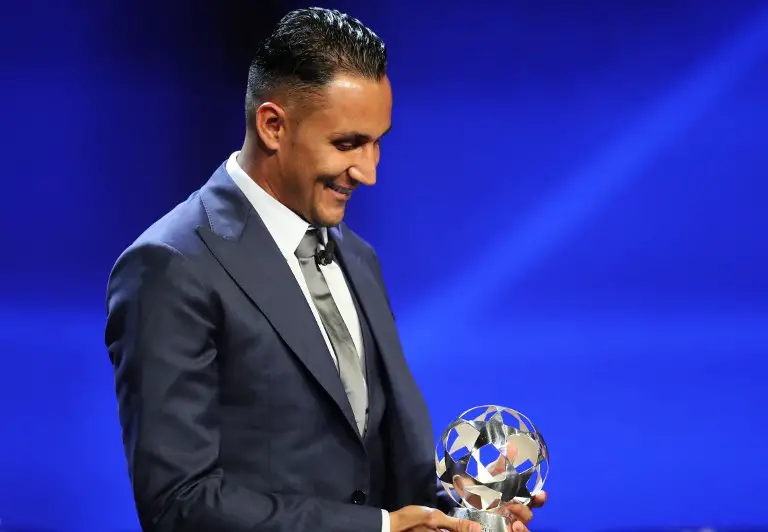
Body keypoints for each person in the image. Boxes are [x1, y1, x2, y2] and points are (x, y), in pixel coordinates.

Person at [104, 7, 545, 532]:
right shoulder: (170, 266)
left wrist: (461, 512)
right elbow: (179, 504)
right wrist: (378, 530)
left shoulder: (358, 257)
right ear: (272, 126)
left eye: (378, 141)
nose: (369, 172)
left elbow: (370, 467)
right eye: (348, 143)